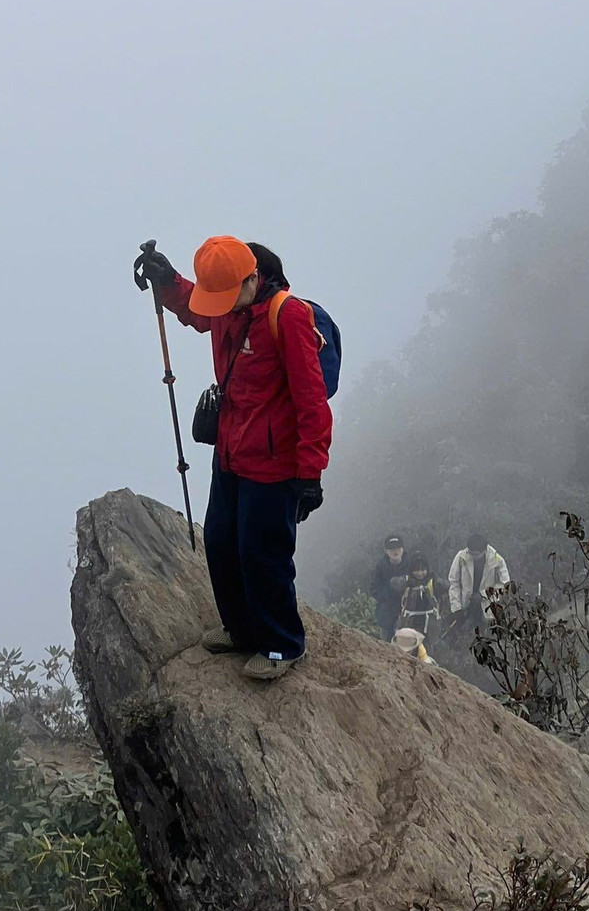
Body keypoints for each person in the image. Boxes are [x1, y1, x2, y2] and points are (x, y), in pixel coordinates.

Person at [136, 236, 332, 682]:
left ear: (252, 278)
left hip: (274, 461)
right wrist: (167, 283)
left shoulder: (288, 315)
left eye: (226, 297)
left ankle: (282, 644)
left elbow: (312, 400)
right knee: (222, 543)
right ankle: (241, 629)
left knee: (262, 553)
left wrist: (310, 473)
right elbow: (194, 307)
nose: (219, 307)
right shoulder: (225, 304)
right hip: (229, 450)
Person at [448, 533, 510, 627]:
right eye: (470, 553)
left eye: (476, 554)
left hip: (488, 608)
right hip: (465, 606)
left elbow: (505, 585)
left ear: (484, 551)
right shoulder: (461, 557)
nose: (472, 556)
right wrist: (456, 608)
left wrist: (484, 594)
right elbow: (454, 583)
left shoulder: (497, 560)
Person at [370, 535, 410, 641]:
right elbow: (374, 589)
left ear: (402, 549)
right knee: (386, 647)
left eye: (398, 548)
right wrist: (390, 592)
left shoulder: (411, 564)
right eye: (391, 549)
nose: (395, 552)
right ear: (386, 551)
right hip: (387, 615)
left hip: (409, 613)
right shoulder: (380, 567)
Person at [397, 552, 441, 646]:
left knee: (428, 651)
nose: (420, 573)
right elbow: (394, 583)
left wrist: (439, 582)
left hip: (429, 624)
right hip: (409, 622)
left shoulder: (432, 581)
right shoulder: (407, 581)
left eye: (423, 570)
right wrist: (404, 582)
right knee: (408, 649)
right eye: (416, 570)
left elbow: (447, 586)